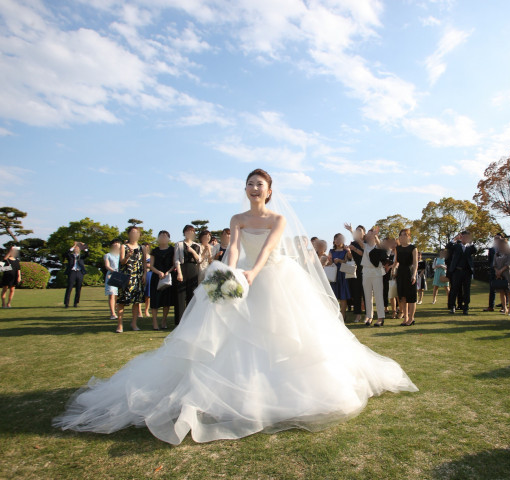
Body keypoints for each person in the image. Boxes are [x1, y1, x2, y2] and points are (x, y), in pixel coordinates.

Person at [52, 168, 418, 445]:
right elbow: (237, 248)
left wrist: (250, 276)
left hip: (274, 277)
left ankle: (276, 393)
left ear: (270, 191)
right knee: (229, 337)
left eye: (260, 183)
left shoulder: (278, 219)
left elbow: (270, 250)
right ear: (245, 190)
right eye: (250, 183)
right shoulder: (237, 219)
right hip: (240, 274)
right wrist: (229, 272)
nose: (254, 188)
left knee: (281, 335)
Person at [116, 226, 146, 333]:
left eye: (136, 232)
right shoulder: (124, 246)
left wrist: (144, 275)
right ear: (128, 234)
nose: (134, 234)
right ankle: (120, 324)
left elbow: (143, 262)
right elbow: (122, 262)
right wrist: (128, 256)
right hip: (126, 276)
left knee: (137, 302)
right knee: (122, 301)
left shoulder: (142, 248)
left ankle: (134, 323)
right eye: (132, 232)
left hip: (137, 276)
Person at [174, 225, 201, 325]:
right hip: (182, 268)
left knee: (192, 295)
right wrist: (179, 273)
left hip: (193, 270)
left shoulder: (197, 245)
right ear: (184, 232)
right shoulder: (179, 244)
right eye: (188, 231)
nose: (190, 233)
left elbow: (199, 260)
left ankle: (191, 321)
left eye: (192, 231)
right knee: (180, 296)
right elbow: (176, 259)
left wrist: (192, 251)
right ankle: (179, 321)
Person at [149, 231, 175, 330]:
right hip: (156, 277)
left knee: (166, 301)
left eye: (165, 236)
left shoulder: (172, 250)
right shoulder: (154, 251)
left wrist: (168, 272)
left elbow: (174, 264)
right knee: (155, 301)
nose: (163, 238)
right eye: (161, 236)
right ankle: (154, 322)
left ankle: (164, 320)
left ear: (169, 238)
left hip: (167, 278)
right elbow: (151, 265)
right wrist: (159, 272)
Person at [447, 231, 477, 315]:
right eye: (464, 237)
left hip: (467, 272)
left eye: (467, 237)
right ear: (461, 237)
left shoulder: (470, 248)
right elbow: (448, 247)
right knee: (454, 289)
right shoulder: (456, 246)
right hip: (457, 271)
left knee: (466, 290)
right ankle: (453, 306)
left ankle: (466, 306)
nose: (466, 239)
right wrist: (455, 239)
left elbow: (475, 250)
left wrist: (471, 242)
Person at [393, 228, 418, 326]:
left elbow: (415, 264)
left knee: (411, 297)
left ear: (409, 236)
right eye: (401, 235)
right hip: (400, 273)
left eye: (405, 235)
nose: (402, 237)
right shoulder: (397, 248)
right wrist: (393, 270)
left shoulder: (413, 248)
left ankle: (411, 318)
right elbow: (396, 262)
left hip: (410, 272)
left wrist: (414, 275)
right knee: (402, 297)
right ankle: (405, 317)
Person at [361, 227, 385, 327]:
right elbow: (357, 239)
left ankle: (380, 318)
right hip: (366, 272)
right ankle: (369, 316)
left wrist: (375, 235)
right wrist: (351, 230)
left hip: (377, 273)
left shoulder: (379, 245)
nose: (369, 235)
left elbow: (381, 247)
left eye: (372, 233)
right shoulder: (365, 246)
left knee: (378, 295)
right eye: (369, 233)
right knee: (367, 295)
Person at [327, 233, 352, 321]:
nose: (338, 241)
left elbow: (349, 259)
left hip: (342, 274)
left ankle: (343, 315)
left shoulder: (345, 250)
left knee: (343, 296)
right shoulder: (331, 251)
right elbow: (328, 263)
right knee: (334, 296)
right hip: (334, 274)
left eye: (340, 239)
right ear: (334, 241)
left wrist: (341, 260)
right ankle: (335, 315)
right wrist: (330, 261)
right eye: (336, 239)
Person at [344, 223, 365, 322]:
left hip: (366, 269)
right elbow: (349, 258)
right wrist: (348, 252)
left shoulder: (366, 243)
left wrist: (351, 231)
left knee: (366, 294)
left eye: (360, 231)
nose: (358, 232)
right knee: (357, 294)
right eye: (357, 231)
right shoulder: (353, 243)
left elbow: (364, 254)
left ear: (364, 233)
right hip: (357, 271)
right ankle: (357, 315)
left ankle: (369, 315)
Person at [64, 241, 88, 308]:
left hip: (79, 272)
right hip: (72, 272)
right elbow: (66, 253)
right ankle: (66, 303)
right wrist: (74, 246)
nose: (76, 250)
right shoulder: (70, 256)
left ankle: (76, 303)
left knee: (78, 288)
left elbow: (87, 254)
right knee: (69, 288)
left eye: (78, 249)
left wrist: (84, 247)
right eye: (75, 249)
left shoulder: (81, 257)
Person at [493, 238, 510, 316]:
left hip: (507, 275)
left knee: (509, 292)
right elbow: (494, 264)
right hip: (499, 276)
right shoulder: (497, 254)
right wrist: (497, 271)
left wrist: (501, 270)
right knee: (501, 292)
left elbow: (508, 264)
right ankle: (504, 308)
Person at [483, 234, 503, 312]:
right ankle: (491, 306)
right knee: (492, 290)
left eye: (498, 238)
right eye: (495, 238)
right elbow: (490, 262)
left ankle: (504, 307)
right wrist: (494, 269)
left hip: (503, 272)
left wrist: (500, 270)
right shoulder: (491, 249)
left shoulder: (504, 250)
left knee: (504, 289)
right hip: (493, 272)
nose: (496, 240)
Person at [103, 239, 121, 320]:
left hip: (120, 276)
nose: (116, 246)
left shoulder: (121, 255)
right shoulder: (107, 255)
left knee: (117, 295)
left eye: (118, 244)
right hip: (111, 275)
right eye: (114, 244)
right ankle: (112, 313)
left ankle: (115, 310)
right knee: (111, 294)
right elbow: (107, 266)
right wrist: (114, 272)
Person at [142, 243, 152, 318]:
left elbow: (153, 265)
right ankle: (139, 311)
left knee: (148, 295)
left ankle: (146, 310)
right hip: (140, 274)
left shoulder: (151, 257)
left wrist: (148, 265)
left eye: (147, 247)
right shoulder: (140, 256)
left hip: (149, 275)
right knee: (139, 293)